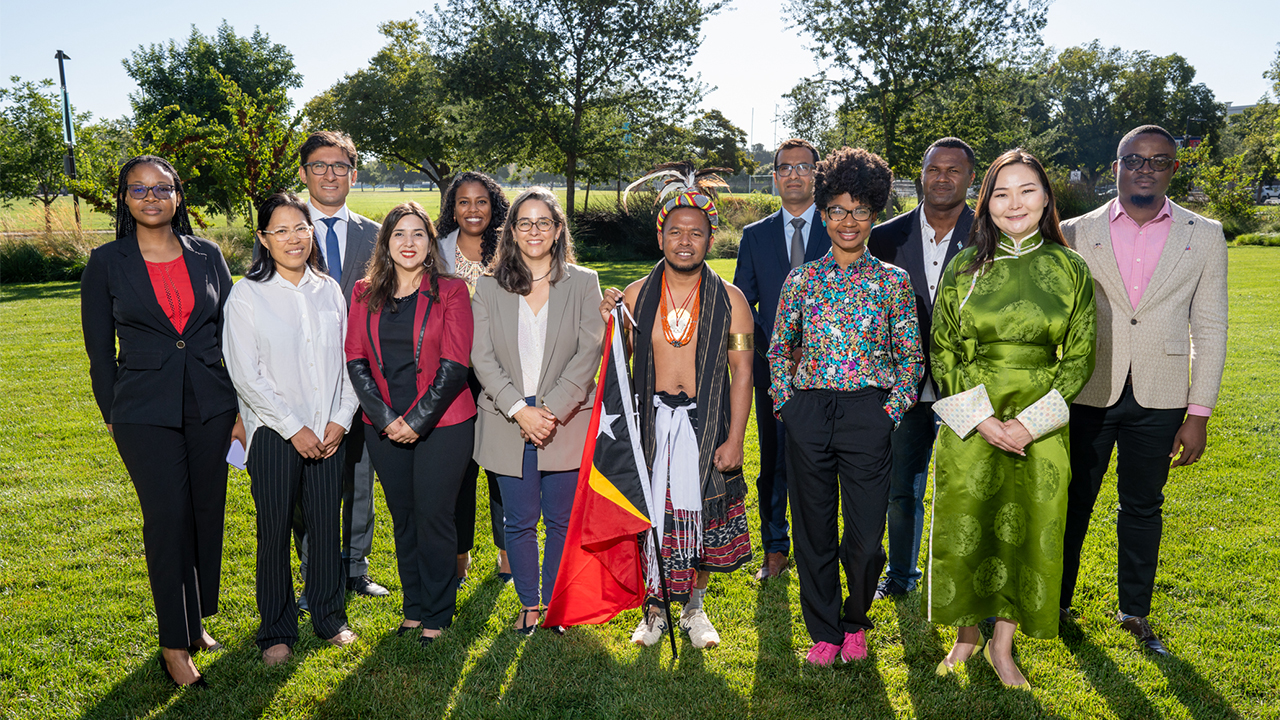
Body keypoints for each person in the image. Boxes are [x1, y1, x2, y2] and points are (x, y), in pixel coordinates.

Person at [926, 149, 1096, 689]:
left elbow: (1081, 356)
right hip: (972, 418)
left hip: (1040, 425)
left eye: (1027, 190)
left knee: (1030, 528)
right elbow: (943, 350)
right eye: (1001, 193)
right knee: (967, 524)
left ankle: (1003, 645)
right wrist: (981, 421)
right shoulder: (964, 266)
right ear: (987, 203)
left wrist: (1028, 424)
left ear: (1047, 198)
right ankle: (966, 637)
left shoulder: (1071, 269)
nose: (1014, 203)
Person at [1059, 125, 1228, 656]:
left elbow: (1212, 326)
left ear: (1174, 168)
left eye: (1159, 159)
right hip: (1087, 390)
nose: (1146, 167)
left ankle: (1134, 611)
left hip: (1162, 395)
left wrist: (1198, 412)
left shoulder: (1204, 234)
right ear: (1116, 167)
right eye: (1134, 158)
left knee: (1142, 506)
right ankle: (1055, 604)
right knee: (1071, 502)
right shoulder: (1074, 231)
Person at [81, 155, 243, 687]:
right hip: (143, 413)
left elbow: (233, 335)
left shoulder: (208, 254)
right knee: (167, 520)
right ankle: (174, 645)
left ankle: (195, 624)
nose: (151, 198)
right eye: (138, 190)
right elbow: (100, 353)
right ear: (125, 199)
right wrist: (112, 415)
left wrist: (241, 408)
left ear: (178, 195)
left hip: (211, 405)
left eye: (161, 189)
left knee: (203, 514)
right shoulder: (106, 262)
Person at [767, 148, 923, 666]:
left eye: (859, 210)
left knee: (864, 536)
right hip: (808, 413)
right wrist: (788, 404)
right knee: (813, 530)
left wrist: (890, 413)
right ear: (824, 213)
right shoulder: (802, 281)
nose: (848, 221)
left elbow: (911, 357)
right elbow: (776, 347)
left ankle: (855, 621)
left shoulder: (893, 282)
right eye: (837, 209)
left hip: (867, 417)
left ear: (873, 214)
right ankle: (825, 632)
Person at [602, 162, 754, 650]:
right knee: (655, 517)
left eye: (697, 232)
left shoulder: (731, 300)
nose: (685, 241)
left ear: (711, 238)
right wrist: (607, 321)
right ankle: (654, 609)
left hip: (706, 425)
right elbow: (615, 366)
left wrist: (734, 439)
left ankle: (694, 608)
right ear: (660, 235)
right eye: (675, 231)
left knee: (701, 516)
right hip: (651, 427)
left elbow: (743, 373)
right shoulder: (635, 295)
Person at [223, 193, 359, 665]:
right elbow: (246, 374)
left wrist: (340, 420)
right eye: (279, 231)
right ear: (263, 239)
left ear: (311, 232)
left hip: (328, 434)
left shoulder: (330, 290)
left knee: (325, 528)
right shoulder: (247, 294)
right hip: (274, 435)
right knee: (275, 530)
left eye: (299, 227)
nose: (292, 238)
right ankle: (276, 628)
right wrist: (293, 427)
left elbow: (350, 363)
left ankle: (328, 616)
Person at [471, 187, 605, 636]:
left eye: (543, 222)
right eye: (524, 222)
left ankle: (558, 603)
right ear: (511, 230)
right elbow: (482, 357)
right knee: (520, 519)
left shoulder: (584, 282)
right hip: (508, 418)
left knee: (563, 520)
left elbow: (591, 350)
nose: (533, 231)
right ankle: (531, 603)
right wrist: (519, 410)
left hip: (565, 417)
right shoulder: (488, 286)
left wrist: (550, 410)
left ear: (557, 229)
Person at [345, 202, 475, 645]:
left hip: (445, 422)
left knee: (434, 515)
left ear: (430, 242)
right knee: (404, 517)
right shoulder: (364, 292)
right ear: (385, 243)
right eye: (398, 234)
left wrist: (417, 420)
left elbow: (456, 364)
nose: (408, 242)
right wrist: (386, 420)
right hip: (383, 426)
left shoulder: (451, 291)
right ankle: (414, 606)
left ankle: (438, 610)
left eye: (418, 233)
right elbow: (355, 358)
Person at [867, 137, 976, 601]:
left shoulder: (989, 234)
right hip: (901, 384)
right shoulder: (886, 236)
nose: (943, 178)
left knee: (968, 489)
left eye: (954, 170)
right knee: (900, 489)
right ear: (922, 175)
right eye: (935, 169)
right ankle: (902, 577)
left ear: (972, 178)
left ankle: (964, 584)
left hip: (969, 385)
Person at [295, 130, 388, 601]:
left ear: (353, 175)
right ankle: (316, 572)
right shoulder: (285, 229)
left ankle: (355, 566)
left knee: (359, 476)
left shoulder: (376, 235)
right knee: (310, 480)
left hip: (364, 378)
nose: (329, 175)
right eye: (319, 166)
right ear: (304, 173)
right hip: (304, 379)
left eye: (339, 167)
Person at [733, 138, 830, 581]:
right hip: (775, 372)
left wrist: (814, 343)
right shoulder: (755, 237)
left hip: (833, 369)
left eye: (803, 167)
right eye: (785, 168)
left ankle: (820, 548)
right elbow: (742, 306)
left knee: (822, 461)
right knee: (772, 460)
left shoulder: (840, 229)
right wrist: (773, 349)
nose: (794, 174)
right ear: (774, 178)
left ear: (817, 175)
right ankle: (775, 547)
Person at [434, 171, 512, 585]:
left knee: (500, 467)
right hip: (455, 374)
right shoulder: (438, 252)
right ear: (453, 208)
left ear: (493, 205)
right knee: (460, 470)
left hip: (502, 372)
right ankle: (459, 554)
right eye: (463, 202)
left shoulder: (511, 249)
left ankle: (506, 554)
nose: (472, 210)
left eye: (481, 201)